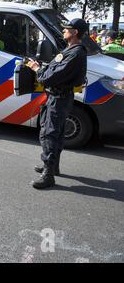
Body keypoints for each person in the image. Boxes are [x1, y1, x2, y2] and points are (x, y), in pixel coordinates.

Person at [28, 18, 88, 190]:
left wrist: (36, 69)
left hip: (59, 98)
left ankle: (48, 175)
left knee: (50, 134)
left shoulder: (75, 53)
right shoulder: (71, 50)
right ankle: (53, 166)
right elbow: (55, 69)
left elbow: (49, 77)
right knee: (56, 132)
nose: (63, 31)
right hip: (58, 97)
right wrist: (43, 66)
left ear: (75, 32)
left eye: (66, 29)